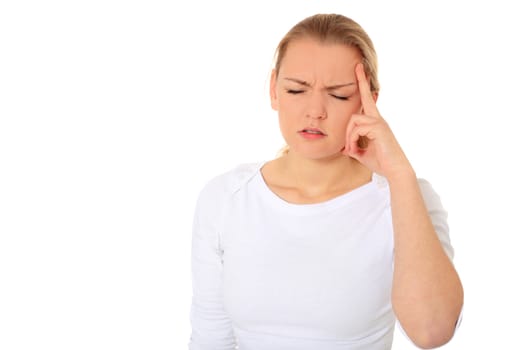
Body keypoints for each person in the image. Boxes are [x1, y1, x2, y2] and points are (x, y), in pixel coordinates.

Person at [188, 13, 463, 350]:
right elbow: (210, 340)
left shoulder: (406, 197)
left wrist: (399, 174)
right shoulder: (225, 198)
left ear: (368, 100)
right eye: (296, 89)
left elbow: (432, 331)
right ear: (274, 90)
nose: (315, 110)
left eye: (339, 95)